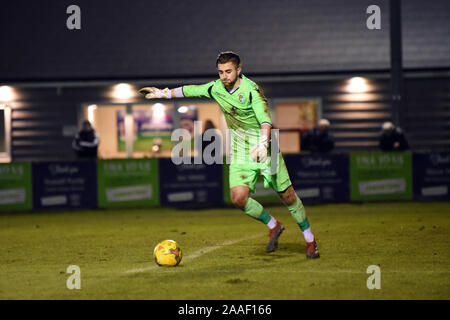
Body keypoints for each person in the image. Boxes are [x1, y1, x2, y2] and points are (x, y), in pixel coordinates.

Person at [139, 51, 319, 259]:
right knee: (239, 198)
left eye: (228, 71)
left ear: (238, 70)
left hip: (265, 148)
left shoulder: (251, 90)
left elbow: (265, 121)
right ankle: (273, 225)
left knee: (287, 197)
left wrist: (263, 144)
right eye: (221, 72)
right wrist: (163, 93)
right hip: (240, 151)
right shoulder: (216, 88)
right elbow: (191, 90)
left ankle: (310, 240)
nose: (224, 76)